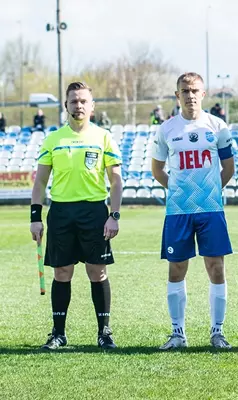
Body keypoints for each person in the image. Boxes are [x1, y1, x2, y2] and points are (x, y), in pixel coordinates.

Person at [29, 81, 123, 350]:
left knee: (97, 271)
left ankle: (104, 333)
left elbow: (116, 181)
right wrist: (35, 217)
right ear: (66, 105)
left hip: (94, 212)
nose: (78, 105)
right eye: (74, 101)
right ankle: (58, 334)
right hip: (61, 212)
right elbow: (40, 182)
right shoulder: (53, 139)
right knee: (62, 272)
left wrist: (114, 215)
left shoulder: (103, 137)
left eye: (83, 101)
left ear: (92, 106)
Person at [151, 72, 235, 350]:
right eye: (185, 91)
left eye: (195, 90)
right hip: (178, 211)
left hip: (211, 209)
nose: (190, 95)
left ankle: (217, 332)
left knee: (216, 267)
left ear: (203, 93)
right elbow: (157, 170)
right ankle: (178, 333)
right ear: (178, 95)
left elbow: (229, 168)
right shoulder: (166, 129)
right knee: (176, 269)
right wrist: (178, 191)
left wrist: (210, 192)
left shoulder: (218, 126)